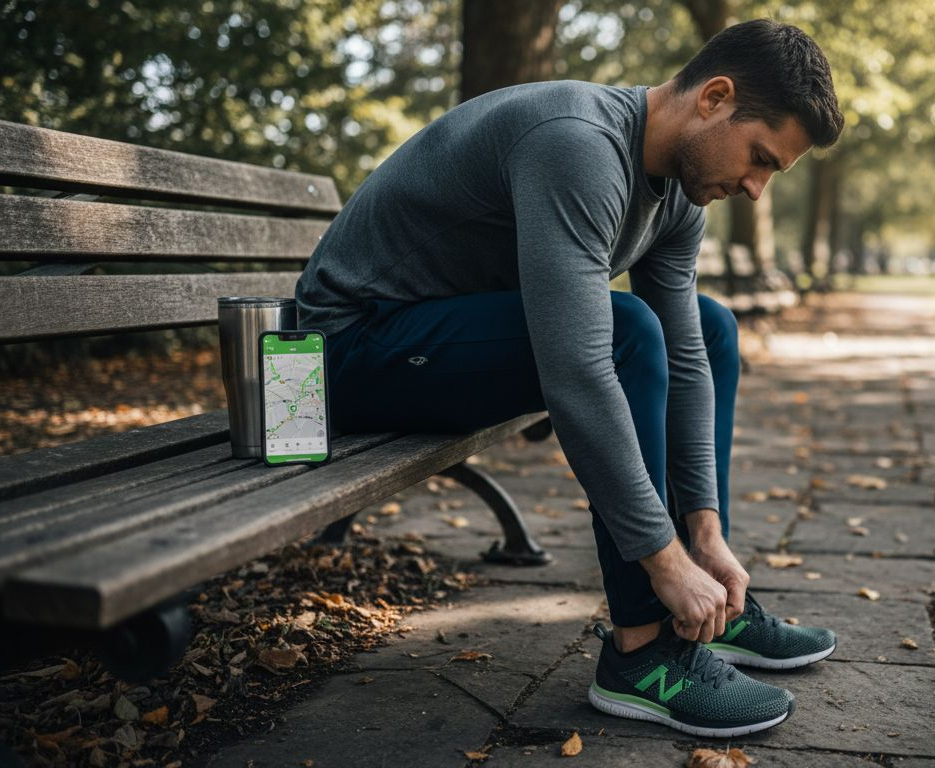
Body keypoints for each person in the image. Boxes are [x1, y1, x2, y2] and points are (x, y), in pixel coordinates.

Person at [296, 18, 843, 737]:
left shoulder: (681, 190)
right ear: (714, 97)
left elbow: (686, 354)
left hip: (438, 339)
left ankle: (710, 611)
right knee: (623, 336)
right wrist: (661, 561)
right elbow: (581, 372)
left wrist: (703, 537)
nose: (756, 189)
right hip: (337, 356)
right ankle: (644, 651)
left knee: (709, 328)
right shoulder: (577, 144)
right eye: (760, 158)